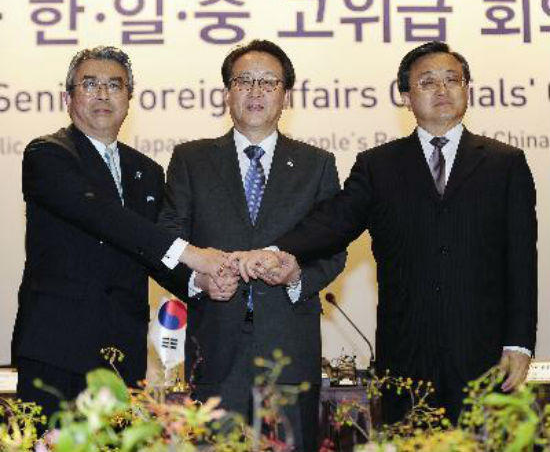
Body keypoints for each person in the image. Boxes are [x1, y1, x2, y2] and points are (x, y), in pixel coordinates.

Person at [257, 41, 537, 424]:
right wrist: (277, 250)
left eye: (452, 80)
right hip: (406, 356)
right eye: (428, 82)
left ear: (467, 89)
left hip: (484, 355)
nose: (442, 89)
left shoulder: (505, 164)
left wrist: (519, 343)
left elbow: (522, 263)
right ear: (406, 96)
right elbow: (333, 222)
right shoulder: (379, 165)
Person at [12, 46, 228, 421]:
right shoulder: (48, 154)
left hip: (121, 349)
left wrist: (198, 281)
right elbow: (102, 216)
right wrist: (192, 254)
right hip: (56, 348)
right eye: (89, 84)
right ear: (68, 97)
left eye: (114, 85)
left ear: (129, 99)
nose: (102, 94)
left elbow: (150, 248)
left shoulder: (146, 170)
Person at [158, 39, 346, 451]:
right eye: (244, 81)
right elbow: (167, 241)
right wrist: (198, 281)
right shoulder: (191, 160)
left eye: (268, 82)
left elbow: (333, 248)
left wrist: (296, 277)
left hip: (289, 350)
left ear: (286, 95)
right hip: (215, 349)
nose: (256, 91)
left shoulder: (317, 164)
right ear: (227, 92)